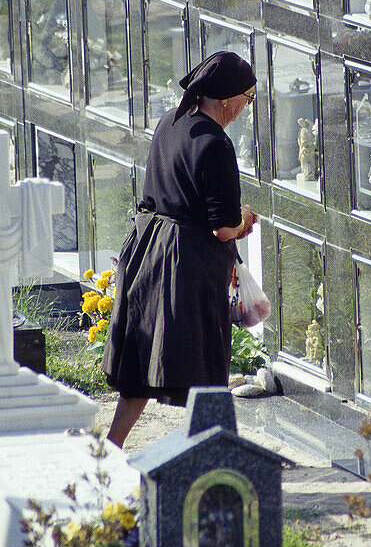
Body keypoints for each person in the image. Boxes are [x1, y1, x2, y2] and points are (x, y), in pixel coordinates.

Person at [102, 51, 258, 447]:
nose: (246, 107)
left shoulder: (168, 122)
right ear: (225, 98)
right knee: (205, 363)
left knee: (139, 362)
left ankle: (111, 446)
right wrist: (247, 219)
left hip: (147, 253)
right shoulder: (216, 144)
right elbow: (223, 228)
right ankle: (211, 451)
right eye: (247, 98)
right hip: (188, 267)